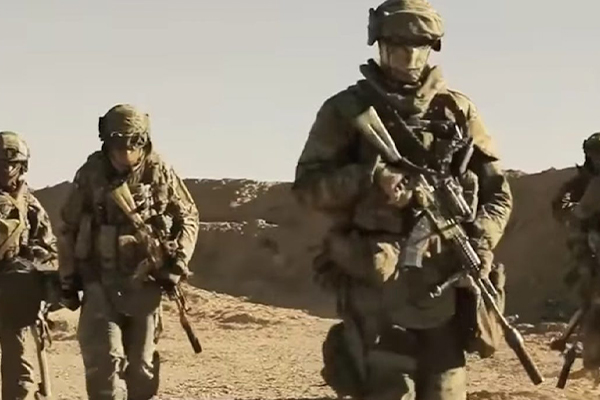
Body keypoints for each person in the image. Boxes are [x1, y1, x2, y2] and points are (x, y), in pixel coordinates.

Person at [292, 1, 513, 398]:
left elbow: (497, 193)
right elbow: (308, 189)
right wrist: (370, 179)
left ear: (432, 48)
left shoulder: (458, 110)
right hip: (378, 292)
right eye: (397, 46)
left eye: (419, 47)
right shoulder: (347, 111)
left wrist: (481, 239)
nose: (409, 58)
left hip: (444, 292)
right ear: (380, 45)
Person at [57, 104, 200, 400]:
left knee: (141, 370)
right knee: (104, 366)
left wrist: (178, 261)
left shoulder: (158, 170)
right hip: (100, 283)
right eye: (118, 143)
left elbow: (188, 216)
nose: (125, 151)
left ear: (143, 140)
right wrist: (68, 279)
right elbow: (68, 227)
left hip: (145, 285)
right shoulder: (91, 174)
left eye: (133, 142)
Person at [0, 131, 59, 400]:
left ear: (22, 166)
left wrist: (31, 272)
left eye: (10, 164)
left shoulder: (28, 204)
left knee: (19, 377)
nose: (5, 170)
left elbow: (46, 248)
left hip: (13, 299)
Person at [552, 132, 600, 371]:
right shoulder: (580, 183)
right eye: (595, 155)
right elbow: (560, 206)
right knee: (592, 300)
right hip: (589, 248)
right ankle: (593, 359)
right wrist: (578, 212)